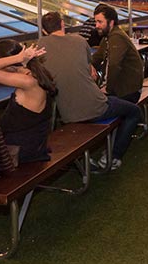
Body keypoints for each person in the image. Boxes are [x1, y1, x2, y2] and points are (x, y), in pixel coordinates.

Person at [38, 11, 142, 171]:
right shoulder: (79, 41)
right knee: (134, 111)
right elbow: (90, 72)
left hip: (67, 113)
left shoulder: (39, 47)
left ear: (44, 30)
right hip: (95, 106)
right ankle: (113, 156)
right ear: (63, 24)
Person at [0, 39, 56, 163]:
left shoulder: (28, 81)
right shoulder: (35, 74)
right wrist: (21, 59)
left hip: (19, 151)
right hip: (33, 145)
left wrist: (18, 58)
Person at [91, 5, 144, 103]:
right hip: (122, 89)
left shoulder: (117, 37)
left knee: (89, 105)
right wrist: (90, 65)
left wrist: (108, 90)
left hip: (126, 92)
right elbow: (97, 58)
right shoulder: (108, 37)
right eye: (96, 22)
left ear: (111, 22)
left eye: (100, 22)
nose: (96, 26)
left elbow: (114, 65)